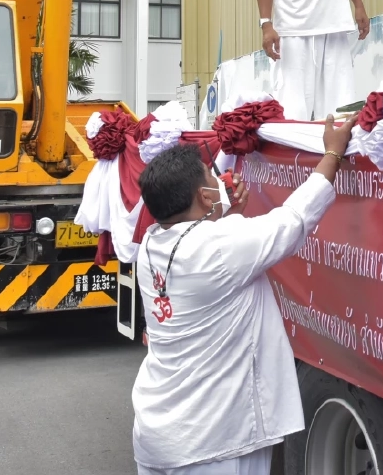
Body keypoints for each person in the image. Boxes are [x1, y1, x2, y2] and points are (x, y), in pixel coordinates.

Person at [132, 115, 357, 475]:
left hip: (160, 433)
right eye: (212, 178)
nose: (219, 179)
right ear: (205, 197)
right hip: (211, 444)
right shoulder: (221, 247)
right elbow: (293, 220)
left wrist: (226, 214)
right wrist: (332, 152)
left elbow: (210, 249)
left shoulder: (150, 244)